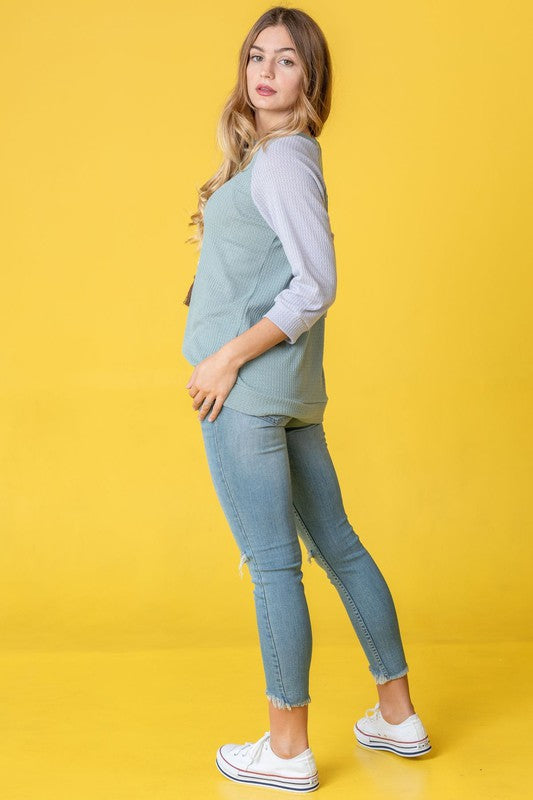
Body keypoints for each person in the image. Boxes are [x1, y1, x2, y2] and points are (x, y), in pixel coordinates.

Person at [181, 6, 432, 793]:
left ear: (311, 78)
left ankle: (286, 747)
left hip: (248, 395)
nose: (265, 71)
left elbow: (314, 284)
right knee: (338, 547)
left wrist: (224, 355)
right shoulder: (276, 159)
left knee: (272, 570)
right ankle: (397, 717)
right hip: (283, 396)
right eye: (257, 57)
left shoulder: (285, 161)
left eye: (286, 61)